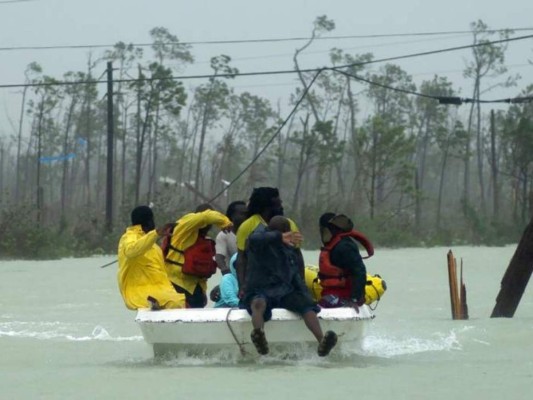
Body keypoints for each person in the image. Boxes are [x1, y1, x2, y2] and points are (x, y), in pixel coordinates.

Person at [243, 216, 338, 357]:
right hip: (259, 289)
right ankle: (259, 334)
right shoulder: (257, 243)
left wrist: (305, 296)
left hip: (283, 292)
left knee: (306, 305)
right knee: (258, 303)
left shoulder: (289, 251)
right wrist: (277, 236)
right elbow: (254, 239)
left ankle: (321, 341)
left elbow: (295, 277)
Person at [235, 187, 303, 297]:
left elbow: (297, 256)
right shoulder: (247, 226)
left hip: (285, 284)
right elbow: (241, 259)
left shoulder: (289, 223)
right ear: (266, 204)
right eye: (277, 200)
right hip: (257, 285)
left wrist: (302, 285)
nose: (281, 203)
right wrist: (242, 286)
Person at [117, 205, 186, 310]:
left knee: (179, 301)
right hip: (138, 292)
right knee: (174, 302)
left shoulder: (153, 246)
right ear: (149, 222)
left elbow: (162, 274)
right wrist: (156, 233)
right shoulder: (129, 237)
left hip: (162, 291)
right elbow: (131, 251)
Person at [164, 204, 232, 308]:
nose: (208, 227)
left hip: (195, 289)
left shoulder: (204, 239)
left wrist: (203, 292)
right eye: (208, 223)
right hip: (177, 285)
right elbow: (205, 216)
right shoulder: (184, 226)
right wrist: (225, 222)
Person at [318, 212, 374, 309]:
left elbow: (359, 272)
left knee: (318, 306)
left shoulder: (345, 247)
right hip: (331, 293)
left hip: (345, 295)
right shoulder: (334, 245)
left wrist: (354, 299)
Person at [215, 200, 247, 275]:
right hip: (233, 275)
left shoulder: (252, 232)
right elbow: (219, 257)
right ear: (232, 216)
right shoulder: (224, 235)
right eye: (242, 214)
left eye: (247, 214)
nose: (246, 217)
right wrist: (224, 269)